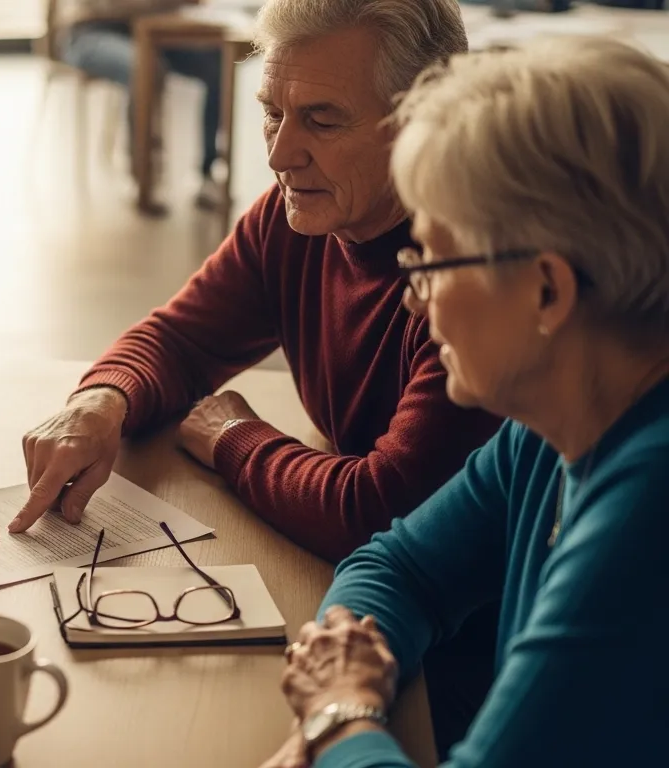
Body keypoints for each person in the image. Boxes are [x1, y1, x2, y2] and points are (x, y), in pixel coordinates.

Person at [20, 0, 501, 752]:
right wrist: (99, 401)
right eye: (270, 112)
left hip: (463, 662)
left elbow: (379, 507)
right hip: (378, 611)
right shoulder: (298, 213)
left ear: (422, 118)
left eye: (322, 119)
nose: (279, 154)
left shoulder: (466, 278)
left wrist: (235, 436)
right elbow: (179, 340)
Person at [263, 36, 669, 768]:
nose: (416, 304)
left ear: (548, 289)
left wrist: (336, 718)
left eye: (432, 263)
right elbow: (395, 567)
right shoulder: (549, 428)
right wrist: (342, 702)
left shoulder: (650, 506)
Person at [55, 0, 225, 206]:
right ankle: (145, 179)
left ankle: (208, 173)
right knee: (143, 68)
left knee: (215, 63)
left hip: (153, 28)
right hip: (90, 31)